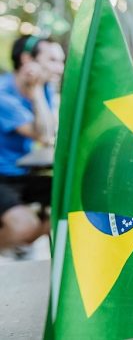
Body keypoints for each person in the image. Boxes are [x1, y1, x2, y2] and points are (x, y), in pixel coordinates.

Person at [0, 34, 64, 248]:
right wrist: (36, 92)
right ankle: (15, 240)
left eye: (61, 61)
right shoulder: (3, 95)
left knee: (74, 195)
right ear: (28, 60)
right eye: (52, 60)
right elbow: (43, 135)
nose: (60, 69)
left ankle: (23, 244)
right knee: (24, 227)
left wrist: (42, 90)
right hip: (2, 177)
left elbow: (51, 132)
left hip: (21, 174)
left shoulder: (42, 87)